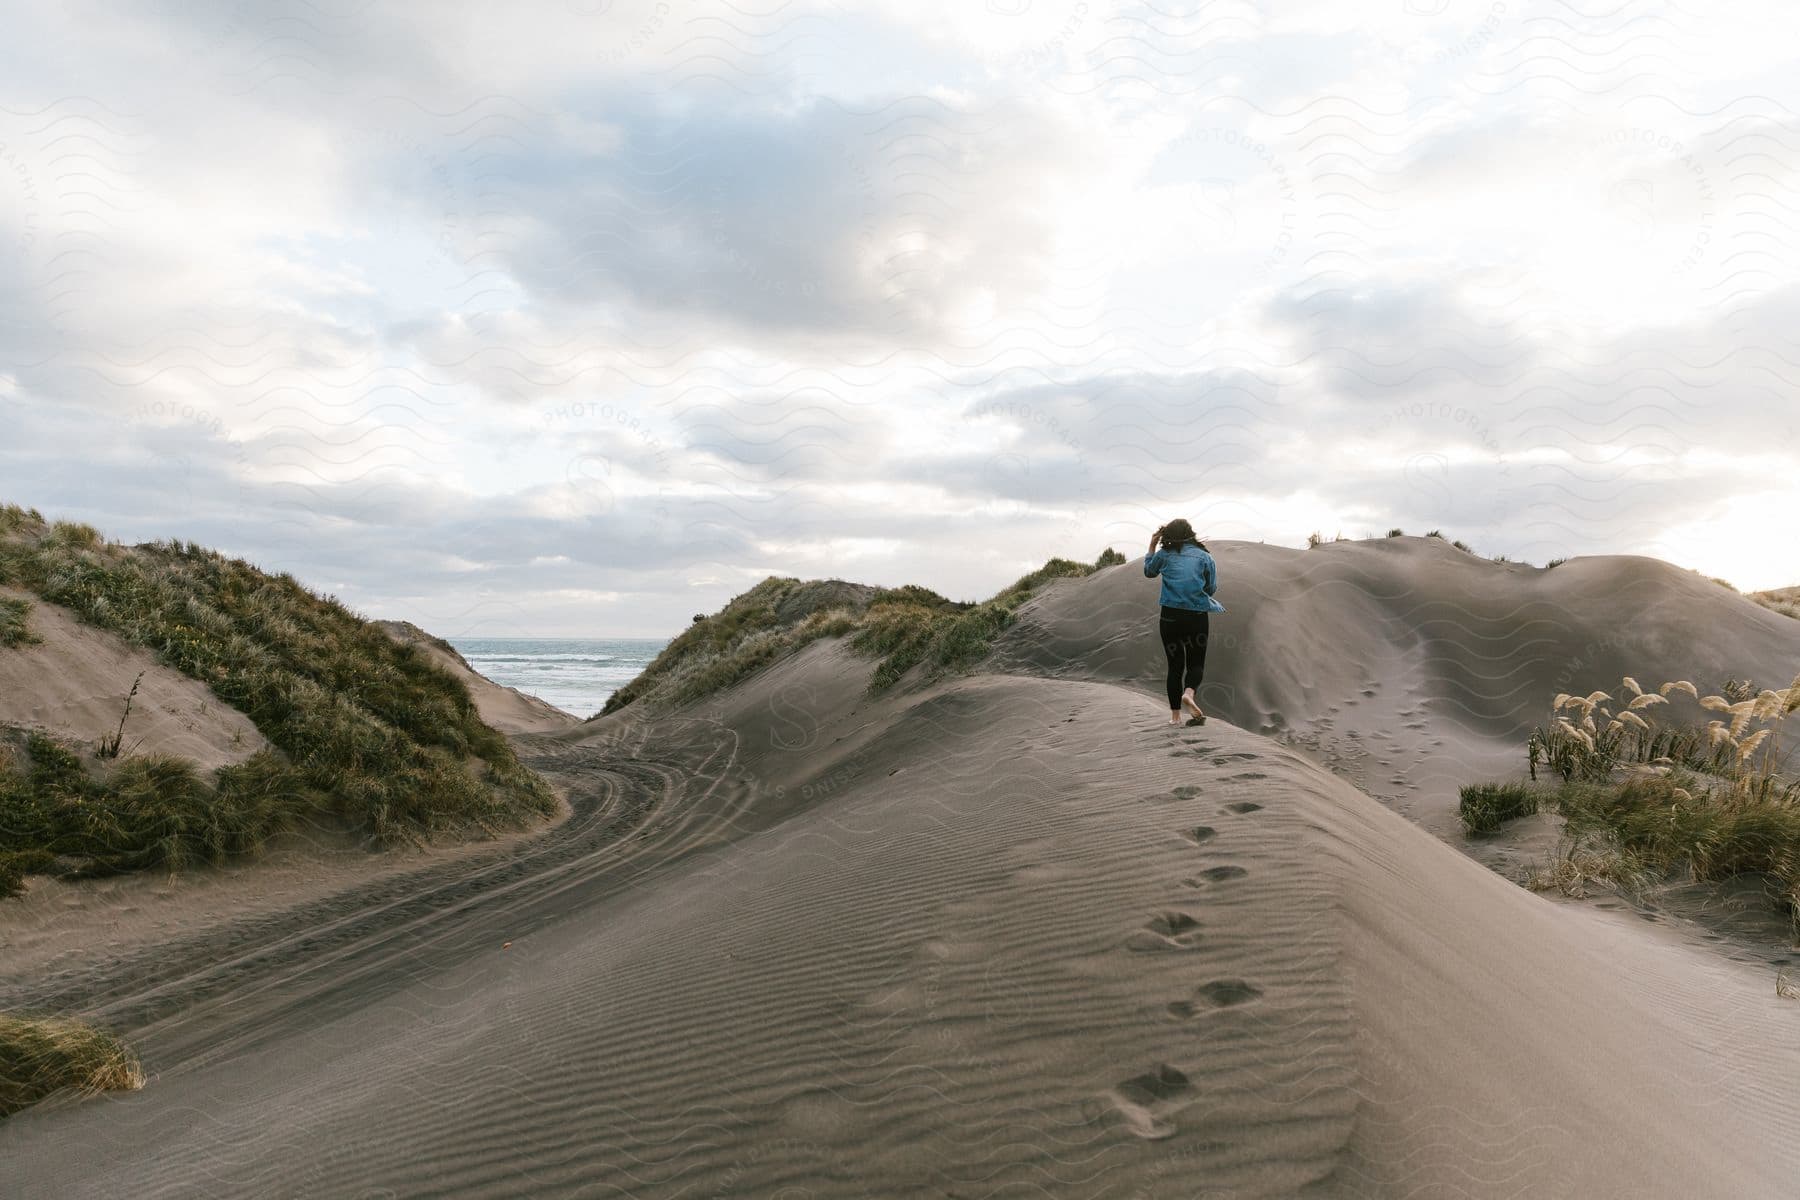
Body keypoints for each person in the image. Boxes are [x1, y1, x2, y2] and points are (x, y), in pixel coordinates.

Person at [1143, 519, 1224, 726]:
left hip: (1169, 617)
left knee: (1174, 666)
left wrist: (1152, 545)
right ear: (1190, 534)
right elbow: (1211, 588)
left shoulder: (1163, 555)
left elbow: (1149, 572)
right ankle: (1189, 694)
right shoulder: (1205, 557)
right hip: (1196, 616)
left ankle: (1175, 717)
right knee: (1195, 663)